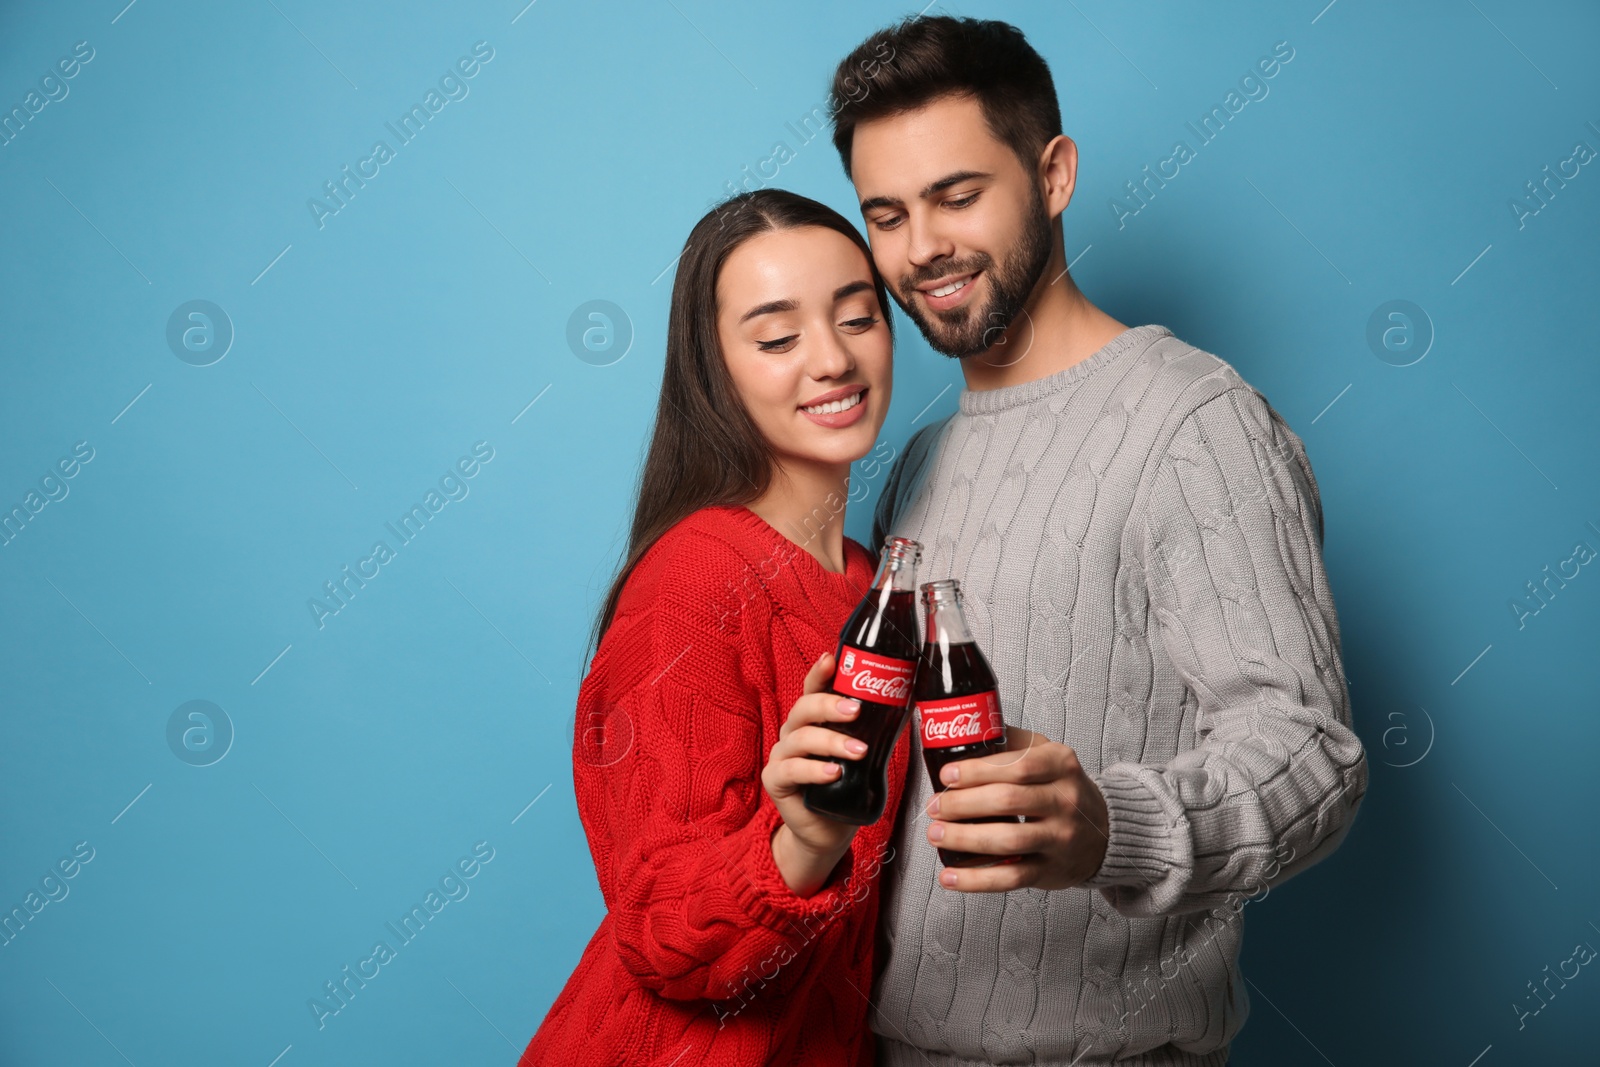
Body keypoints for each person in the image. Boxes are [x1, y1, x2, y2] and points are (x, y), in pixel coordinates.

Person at [824, 16, 1369, 1066]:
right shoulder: (916, 462)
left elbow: (1311, 755)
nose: (920, 246)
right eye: (885, 214)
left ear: (1054, 174)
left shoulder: (1192, 423)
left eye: (957, 195)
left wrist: (1113, 827)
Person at [518, 188, 909, 1066]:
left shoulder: (873, 584)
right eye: (777, 337)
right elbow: (658, 927)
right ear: (712, 368)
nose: (832, 359)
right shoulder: (693, 581)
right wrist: (803, 837)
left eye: (857, 317)